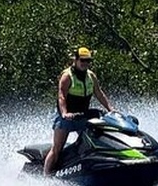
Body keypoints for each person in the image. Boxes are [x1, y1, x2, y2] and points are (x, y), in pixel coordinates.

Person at [43, 46, 115, 176]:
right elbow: (61, 96)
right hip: (66, 118)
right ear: (75, 60)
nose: (85, 63)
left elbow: (99, 94)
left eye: (88, 61)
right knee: (57, 148)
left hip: (83, 117)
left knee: (94, 141)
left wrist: (111, 109)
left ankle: (95, 168)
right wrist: (65, 113)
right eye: (82, 60)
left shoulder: (91, 76)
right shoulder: (67, 76)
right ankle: (46, 175)